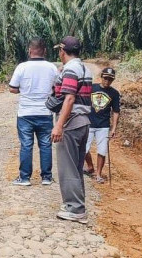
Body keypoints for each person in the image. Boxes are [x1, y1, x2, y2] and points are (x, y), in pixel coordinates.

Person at [52, 36, 93, 224]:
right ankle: (75, 204)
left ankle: (75, 209)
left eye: (59, 51)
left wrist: (59, 125)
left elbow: (69, 99)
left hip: (71, 122)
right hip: (83, 121)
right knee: (76, 167)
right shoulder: (84, 68)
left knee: (67, 167)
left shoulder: (70, 69)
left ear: (63, 51)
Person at [9, 38, 58, 186]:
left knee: (26, 145)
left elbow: (12, 88)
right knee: (45, 145)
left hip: (25, 113)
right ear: (44, 51)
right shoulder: (52, 68)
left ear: (30, 50)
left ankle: (24, 178)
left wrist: (23, 90)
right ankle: (47, 177)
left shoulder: (21, 67)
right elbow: (57, 88)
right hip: (45, 113)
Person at [84, 67, 120, 184]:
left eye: (110, 79)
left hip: (103, 126)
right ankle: (90, 166)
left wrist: (113, 128)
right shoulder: (92, 88)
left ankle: (98, 174)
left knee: (102, 151)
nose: (107, 81)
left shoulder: (114, 93)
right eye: (105, 78)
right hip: (89, 123)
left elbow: (116, 111)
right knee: (84, 149)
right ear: (101, 77)